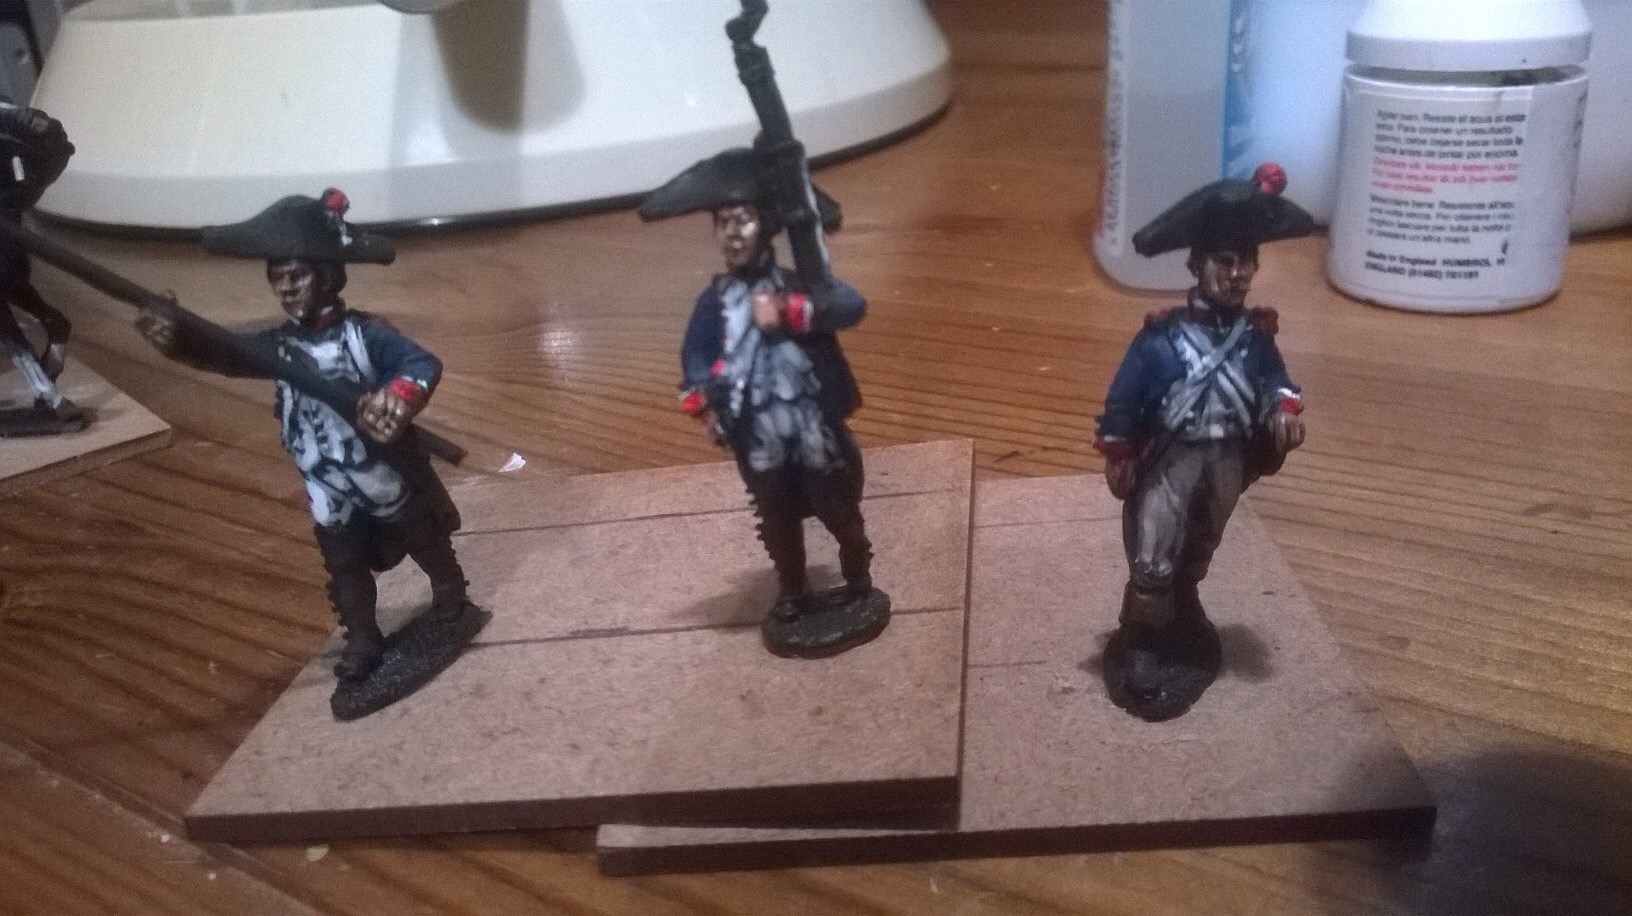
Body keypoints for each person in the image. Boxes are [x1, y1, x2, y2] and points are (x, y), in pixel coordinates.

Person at [136, 190, 470, 682]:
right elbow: (227, 354)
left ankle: (450, 594)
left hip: (373, 464)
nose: (287, 288)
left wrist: (396, 398)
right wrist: (179, 340)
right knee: (343, 560)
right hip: (321, 473)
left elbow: (419, 364)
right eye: (278, 278)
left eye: (297, 276)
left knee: (418, 530)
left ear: (326, 275)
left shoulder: (364, 335)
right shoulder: (280, 345)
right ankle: (363, 636)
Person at [641, 148, 888, 656]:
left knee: (839, 510)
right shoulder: (714, 302)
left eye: (744, 221)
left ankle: (858, 580)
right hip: (757, 431)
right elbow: (696, 359)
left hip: (812, 423)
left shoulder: (798, 287)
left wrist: (791, 310)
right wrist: (705, 405)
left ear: (767, 226)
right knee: (775, 517)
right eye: (723, 223)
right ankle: (793, 592)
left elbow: (849, 305)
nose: (732, 234)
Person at [1095, 163, 1312, 719]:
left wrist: (1284, 410)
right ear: (1198, 265)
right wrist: (1119, 451)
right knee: (1154, 551)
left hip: (1229, 459)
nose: (1237, 275)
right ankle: (1143, 643)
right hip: (1174, 459)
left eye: (1246, 263)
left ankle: (1184, 609)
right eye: (1225, 261)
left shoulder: (1255, 337)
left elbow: (1278, 383)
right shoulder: (1161, 337)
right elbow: (1124, 398)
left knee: (1201, 543)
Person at [0, 102, 82, 436]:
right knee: (17, 305)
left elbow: (59, 149)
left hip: (6, 246)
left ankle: (48, 393)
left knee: (9, 324)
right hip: (10, 247)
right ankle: (55, 331)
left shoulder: (11, 144)